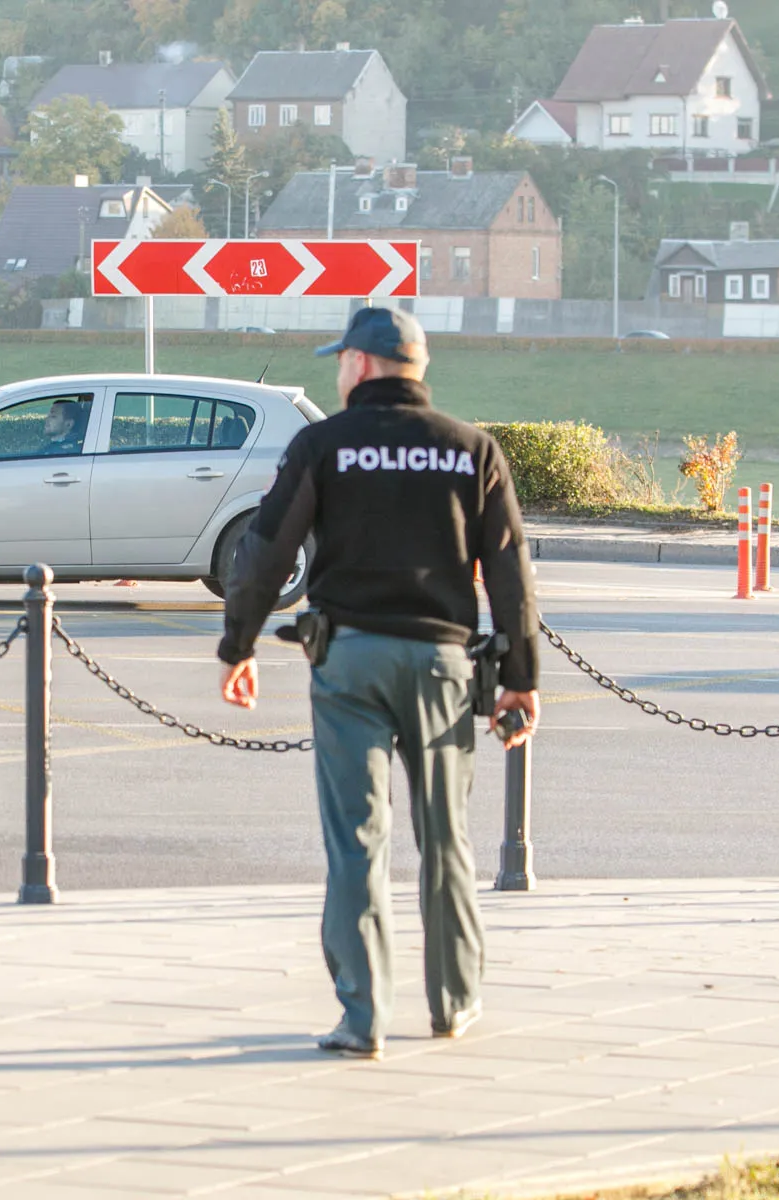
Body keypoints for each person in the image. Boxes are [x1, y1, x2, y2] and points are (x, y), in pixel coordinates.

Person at [216, 307, 540, 1060]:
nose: (338, 372)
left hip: (350, 660)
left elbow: (266, 550)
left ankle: (362, 1020)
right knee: (446, 839)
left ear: (362, 365)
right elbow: (510, 571)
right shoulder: (472, 450)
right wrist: (520, 677)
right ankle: (455, 1003)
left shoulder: (323, 444)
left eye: (341, 361)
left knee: (357, 841)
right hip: (443, 666)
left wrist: (239, 645)